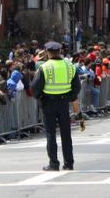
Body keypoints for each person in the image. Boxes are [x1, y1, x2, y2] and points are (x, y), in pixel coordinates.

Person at [31, 41, 81, 171]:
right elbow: (77, 87)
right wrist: (69, 97)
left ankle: (54, 163)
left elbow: (35, 88)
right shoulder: (70, 66)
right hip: (64, 103)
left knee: (50, 134)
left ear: (48, 53)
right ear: (60, 52)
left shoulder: (44, 67)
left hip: (48, 103)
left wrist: (41, 98)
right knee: (66, 134)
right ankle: (69, 163)